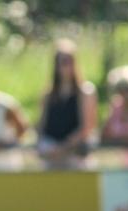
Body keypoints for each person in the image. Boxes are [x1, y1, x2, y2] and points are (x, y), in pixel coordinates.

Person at [36, 39, 98, 169]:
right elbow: (41, 125)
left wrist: (63, 148)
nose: (65, 66)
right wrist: (45, 146)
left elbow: (87, 127)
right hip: (51, 154)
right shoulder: (48, 93)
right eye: (61, 62)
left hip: (76, 155)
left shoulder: (85, 92)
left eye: (68, 61)